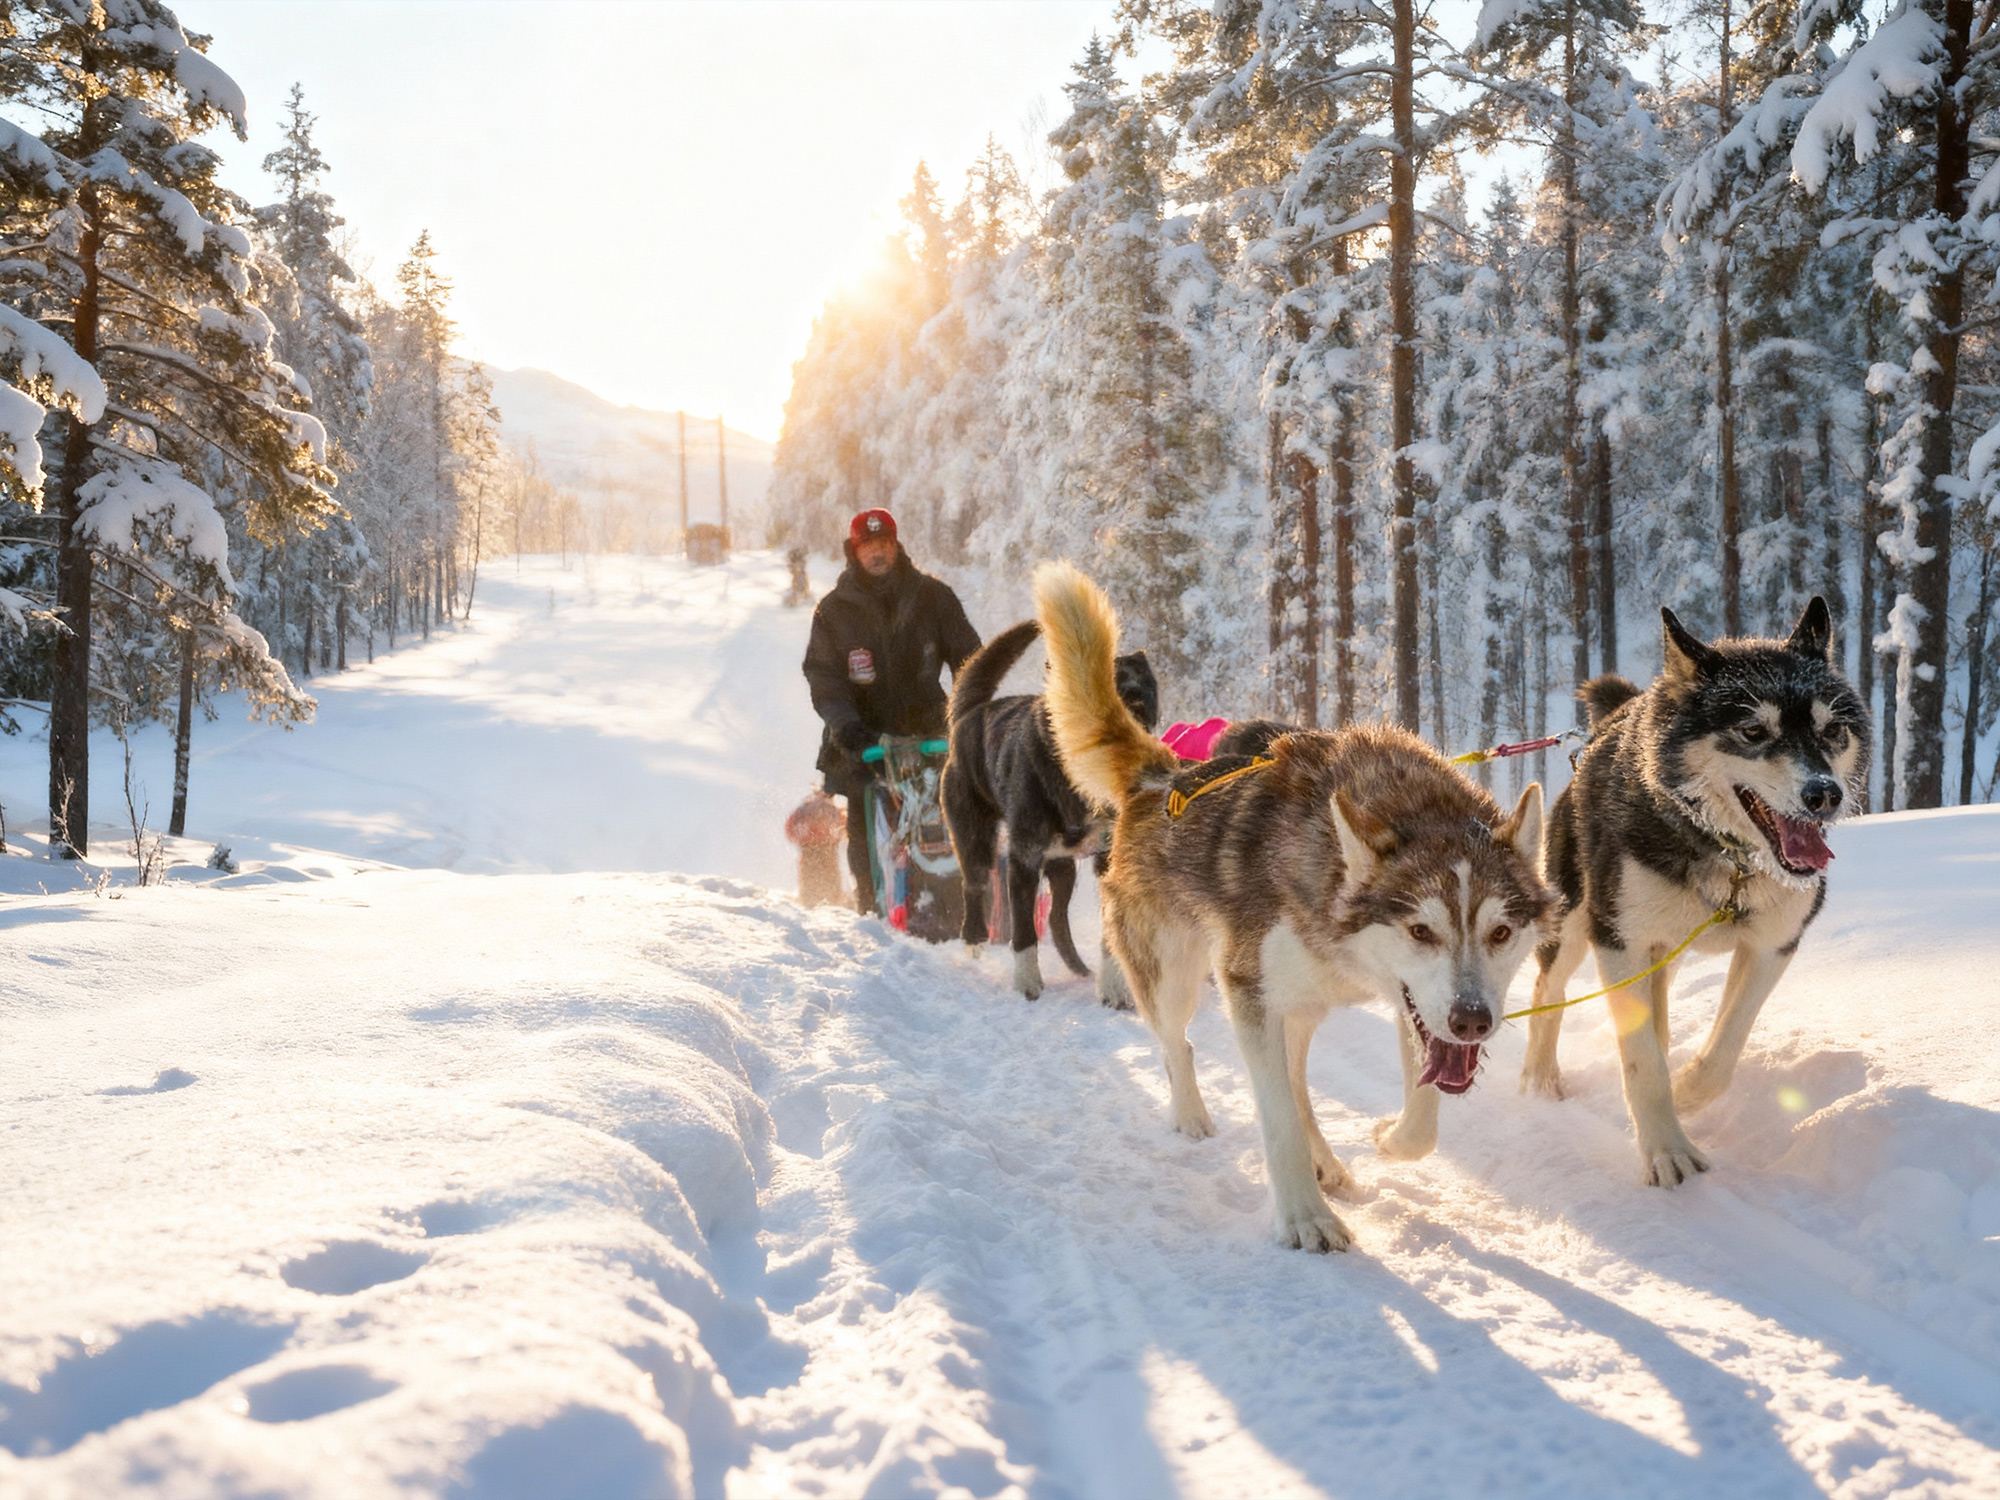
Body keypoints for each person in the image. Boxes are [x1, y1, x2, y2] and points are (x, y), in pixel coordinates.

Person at [802, 507, 980, 914]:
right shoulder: (833, 611)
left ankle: (957, 906)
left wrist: (968, 713)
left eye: (884, 543)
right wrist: (846, 727)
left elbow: (971, 660)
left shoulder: (934, 597)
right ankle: (871, 908)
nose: (877, 552)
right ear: (854, 551)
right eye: (868, 546)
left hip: (929, 729)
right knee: (865, 821)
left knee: (950, 811)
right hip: (861, 737)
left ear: (896, 545)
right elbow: (824, 679)